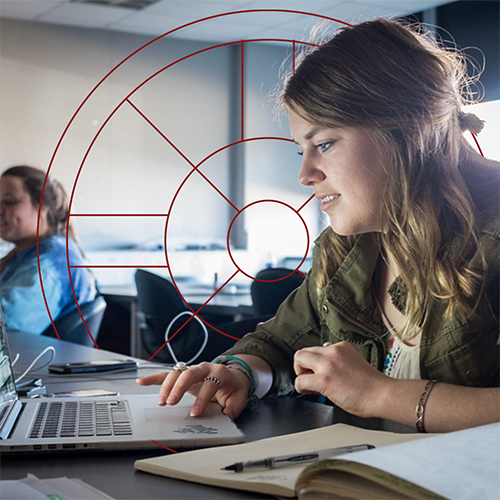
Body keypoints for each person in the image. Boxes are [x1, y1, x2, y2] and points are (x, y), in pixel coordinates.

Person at [137, 18, 500, 433]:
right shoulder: (346, 247)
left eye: (324, 144)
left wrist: (378, 395)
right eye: (300, 152)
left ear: (406, 130)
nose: (305, 174)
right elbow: (278, 342)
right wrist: (241, 373)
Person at [0, 165, 97, 335]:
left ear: (44, 207)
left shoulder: (51, 262)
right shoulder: (26, 255)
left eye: (10, 202)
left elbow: (6, 327)